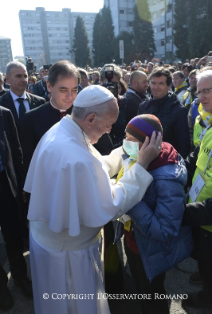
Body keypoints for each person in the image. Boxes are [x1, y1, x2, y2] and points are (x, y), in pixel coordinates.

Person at [24, 85, 162, 314]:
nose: (109, 131)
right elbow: (112, 204)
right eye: (108, 125)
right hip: (69, 256)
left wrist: (123, 152)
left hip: (49, 243)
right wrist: (141, 165)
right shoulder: (75, 153)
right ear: (90, 118)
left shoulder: (64, 130)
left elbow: (95, 167)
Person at [116, 114, 193, 314]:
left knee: (152, 296)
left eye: (132, 140)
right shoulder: (136, 158)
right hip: (133, 241)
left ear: (149, 142)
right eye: (126, 136)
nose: (126, 143)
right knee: (142, 291)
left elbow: (165, 229)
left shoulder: (165, 176)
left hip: (150, 250)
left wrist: (130, 200)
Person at [182, 69, 212, 310]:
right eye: (199, 91)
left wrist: (184, 213)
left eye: (208, 90)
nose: (201, 96)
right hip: (202, 216)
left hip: (206, 215)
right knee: (205, 262)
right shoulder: (210, 124)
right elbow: (196, 155)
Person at [22, 60, 80, 179]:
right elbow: (28, 160)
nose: (70, 96)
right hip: (47, 184)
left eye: (74, 90)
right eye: (63, 90)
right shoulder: (32, 118)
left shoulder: (85, 115)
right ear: (49, 86)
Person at [0, 106, 32, 310]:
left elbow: (16, 150)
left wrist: (22, 186)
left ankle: (19, 276)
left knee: (12, 234)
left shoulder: (4, 113)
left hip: (5, 183)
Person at [138, 67, 190, 159]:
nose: (156, 87)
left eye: (161, 83)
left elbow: (183, 146)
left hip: (167, 164)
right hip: (143, 161)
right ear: (149, 83)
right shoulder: (143, 107)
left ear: (169, 85)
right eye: (153, 83)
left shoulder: (179, 110)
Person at [0, 61, 45, 143]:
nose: (24, 80)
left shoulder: (39, 102)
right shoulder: (1, 104)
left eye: (25, 76)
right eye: (18, 76)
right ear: (7, 79)